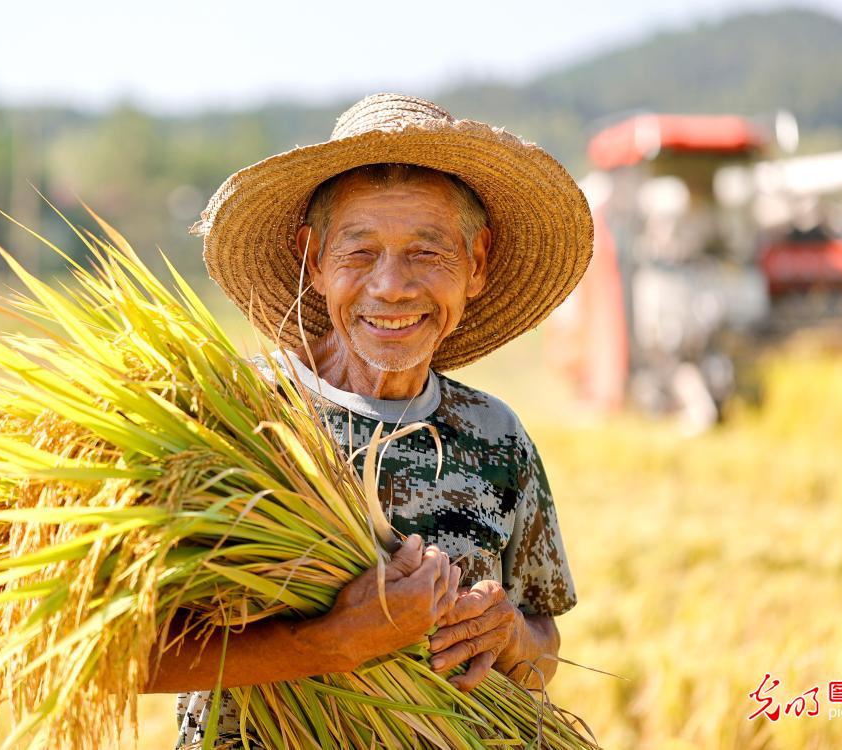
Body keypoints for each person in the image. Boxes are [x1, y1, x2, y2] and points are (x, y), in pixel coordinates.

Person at [142, 93, 595, 747]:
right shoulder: (233, 418)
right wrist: (331, 643)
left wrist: (512, 636)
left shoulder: (496, 437)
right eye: (359, 253)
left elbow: (544, 643)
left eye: (426, 252)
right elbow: (121, 655)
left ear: (478, 263)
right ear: (313, 261)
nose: (391, 286)